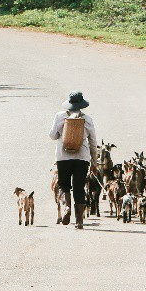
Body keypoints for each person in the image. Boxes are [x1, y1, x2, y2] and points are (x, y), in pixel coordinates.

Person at [48, 91, 98, 229]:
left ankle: (66, 208)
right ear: (81, 104)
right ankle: (79, 221)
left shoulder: (60, 116)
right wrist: (94, 162)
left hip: (63, 157)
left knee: (64, 185)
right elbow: (93, 141)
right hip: (82, 158)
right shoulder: (87, 119)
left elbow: (52, 136)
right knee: (79, 188)